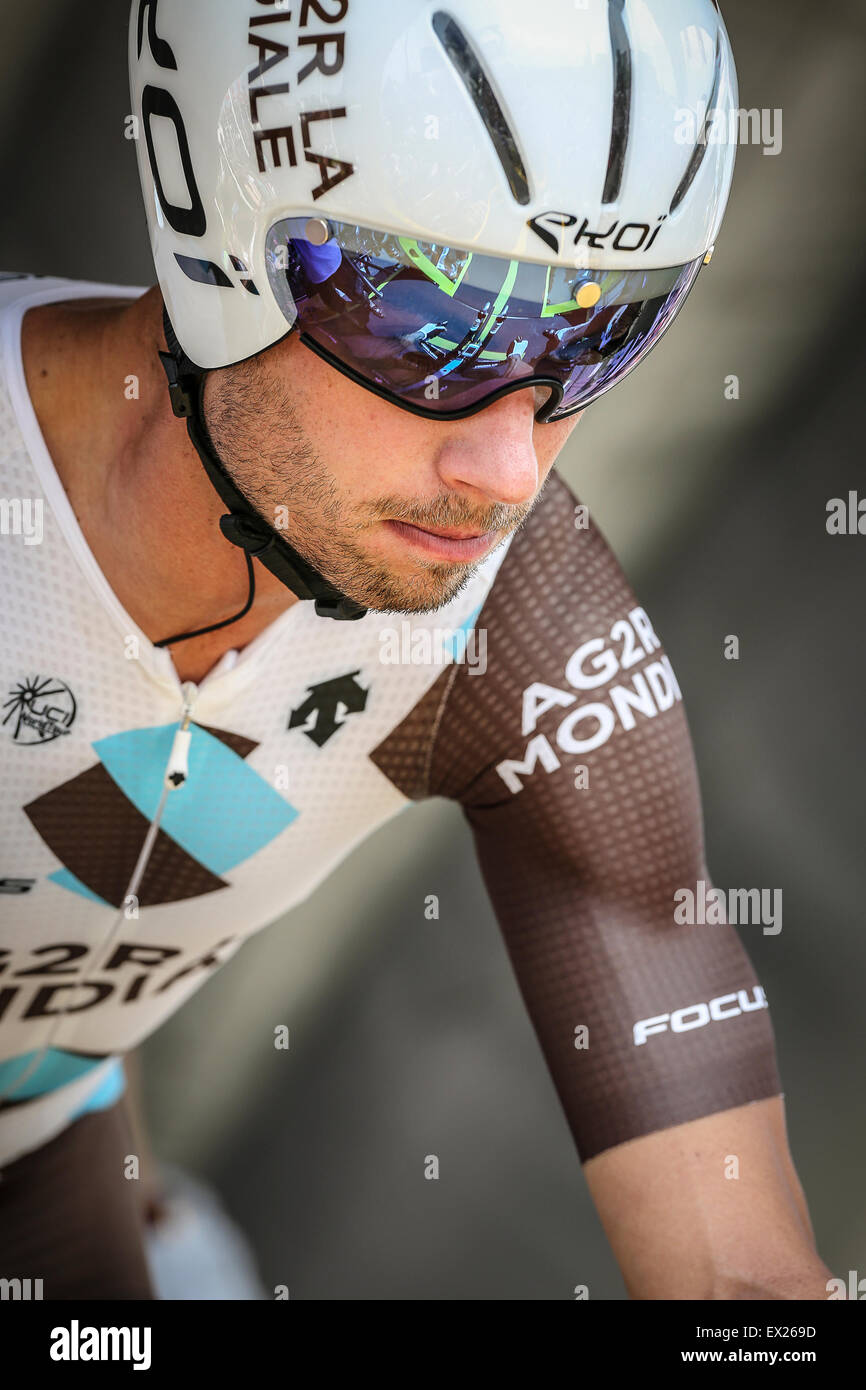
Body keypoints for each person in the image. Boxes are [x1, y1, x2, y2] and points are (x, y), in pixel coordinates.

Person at [0, 0, 831, 1299]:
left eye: (601, 335)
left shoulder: (519, 613)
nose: (505, 468)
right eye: (435, 329)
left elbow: (740, 1288)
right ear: (212, 225)